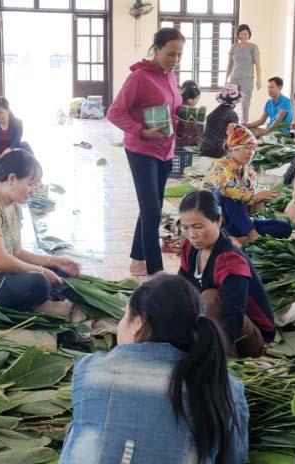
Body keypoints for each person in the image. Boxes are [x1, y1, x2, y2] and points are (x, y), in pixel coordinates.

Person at [53, 274, 249, 464]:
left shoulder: (90, 370)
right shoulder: (224, 388)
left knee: (78, 433)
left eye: (124, 315)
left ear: (139, 323)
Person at [0, 150, 79, 313]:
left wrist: (54, 261)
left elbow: (17, 252)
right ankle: (44, 298)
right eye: (30, 183)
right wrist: (41, 270)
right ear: (12, 179)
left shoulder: (14, 205)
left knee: (63, 271)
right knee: (39, 283)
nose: (33, 190)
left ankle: (43, 295)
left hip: (2, 274)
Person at [107, 27, 183, 277]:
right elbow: (115, 112)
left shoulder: (171, 77)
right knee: (151, 210)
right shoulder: (139, 77)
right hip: (142, 150)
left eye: (179, 55)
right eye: (170, 54)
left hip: (166, 150)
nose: (175, 60)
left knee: (152, 206)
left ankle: (137, 260)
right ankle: (156, 272)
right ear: (156, 49)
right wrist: (141, 131)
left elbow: (171, 110)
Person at [177, 190, 275, 357]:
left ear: (218, 221)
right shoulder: (190, 248)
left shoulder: (230, 261)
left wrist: (217, 358)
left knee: (210, 297)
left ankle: (217, 356)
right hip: (212, 325)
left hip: (248, 336)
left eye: (198, 227)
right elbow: (181, 288)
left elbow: (233, 315)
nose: (191, 235)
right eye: (185, 227)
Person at [203, 124, 291, 243]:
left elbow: (246, 211)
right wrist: (252, 197)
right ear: (233, 149)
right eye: (247, 148)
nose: (251, 152)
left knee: (284, 228)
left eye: (253, 148)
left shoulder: (250, 173)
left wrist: (257, 202)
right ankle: (250, 235)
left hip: (238, 223)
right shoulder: (220, 166)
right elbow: (225, 188)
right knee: (231, 197)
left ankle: (241, 238)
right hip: (216, 221)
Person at [226, 23, 261, 122]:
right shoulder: (234, 47)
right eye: (242, 34)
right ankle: (228, 124)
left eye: (246, 34)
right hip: (234, 78)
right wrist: (226, 78)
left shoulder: (253, 47)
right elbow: (229, 65)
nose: (244, 36)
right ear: (238, 35)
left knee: (245, 105)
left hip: (247, 79)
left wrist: (259, 79)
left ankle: (244, 126)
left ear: (249, 34)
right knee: (229, 103)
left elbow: (258, 65)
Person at [199, 83, 241, 158]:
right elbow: (234, 140)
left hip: (204, 149)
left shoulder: (214, 112)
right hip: (216, 152)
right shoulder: (232, 115)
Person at [176, 80, 205, 148]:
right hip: (181, 146)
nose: (197, 101)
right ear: (190, 100)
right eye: (198, 99)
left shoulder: (175, 104)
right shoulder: (190, 112)